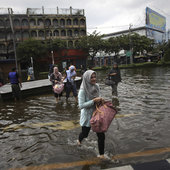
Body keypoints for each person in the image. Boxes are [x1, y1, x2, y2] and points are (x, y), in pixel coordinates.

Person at [77, 70, 106, 158]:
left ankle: (101, 155)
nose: (94, 79)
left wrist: (101, 100)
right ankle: (79, 141)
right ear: (86, 78)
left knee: (101, 135)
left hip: (97, 114)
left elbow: (99, 96)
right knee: (85, 134)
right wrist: (93, 101)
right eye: (91, 77)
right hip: (87, 116)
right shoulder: (82, 90)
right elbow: (81, 105)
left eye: (94, 77)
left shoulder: (97, 86)